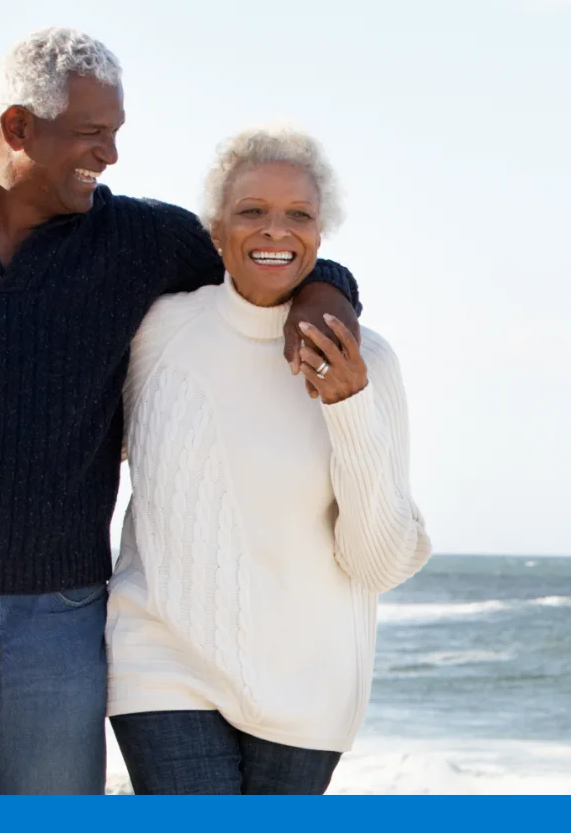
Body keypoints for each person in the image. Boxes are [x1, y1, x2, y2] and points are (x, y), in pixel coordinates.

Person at [0, 29, 362, 795]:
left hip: (58, 624)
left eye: (117, 133)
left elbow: (271, 248)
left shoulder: (133, 240)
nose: (112, 155)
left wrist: (323, 300)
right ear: (18, 128)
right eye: (93, 134)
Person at [105, 126, 432, 795]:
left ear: (321, 233)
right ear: (217, 229)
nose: (274, 231)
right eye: (251, 211)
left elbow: (377, 562)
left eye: (298, 215)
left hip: (308, 682)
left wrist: (349, 406)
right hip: (162, 658)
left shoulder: (371, 360)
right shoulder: (154, 332)